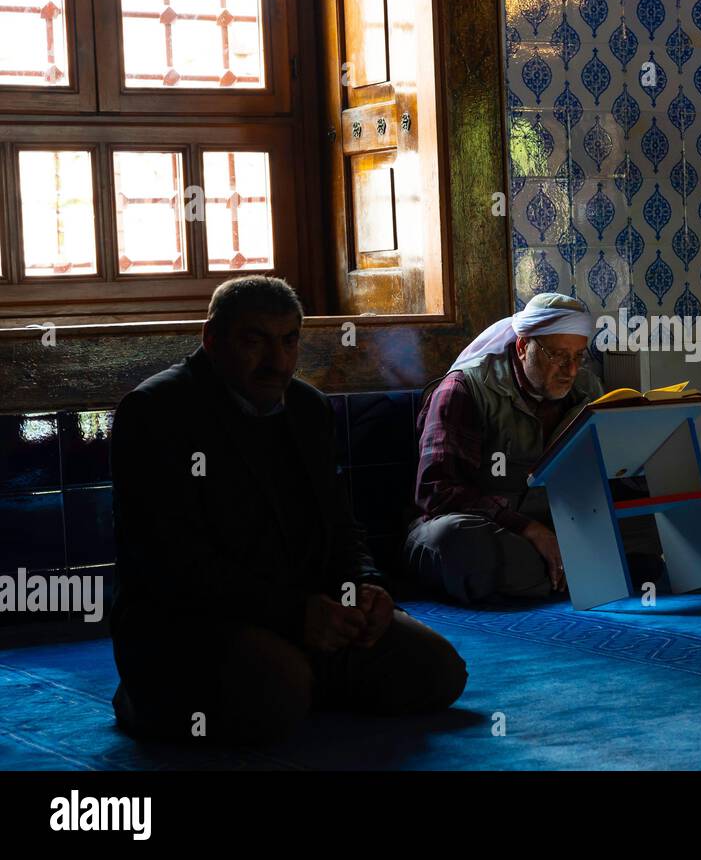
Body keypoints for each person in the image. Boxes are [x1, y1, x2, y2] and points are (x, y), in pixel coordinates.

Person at [109, 275, 467, 745]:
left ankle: (298, 674)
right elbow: (174, 564)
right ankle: (150, 699)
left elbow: (341, 526)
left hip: (308, 612)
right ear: (212, 340)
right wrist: (293, 614)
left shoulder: (307, 409)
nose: (277, 363)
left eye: (289, 341)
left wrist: (366, 587)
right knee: (278, 692)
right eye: (254, 342)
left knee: (437, 671)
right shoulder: (156, 411)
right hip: (197, 621)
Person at [402, 292, 664, 604]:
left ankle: (553, 571)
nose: (569, 370)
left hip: (557, 528)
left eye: (578, 356)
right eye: (557, 356)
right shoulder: (463, 390)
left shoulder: (587, 389)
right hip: (488, 527)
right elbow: (438, 493)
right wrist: (530, 529)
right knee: (456, 543)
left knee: (652, 525)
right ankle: (583, 570)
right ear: (524, 347)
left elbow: (599, 475)